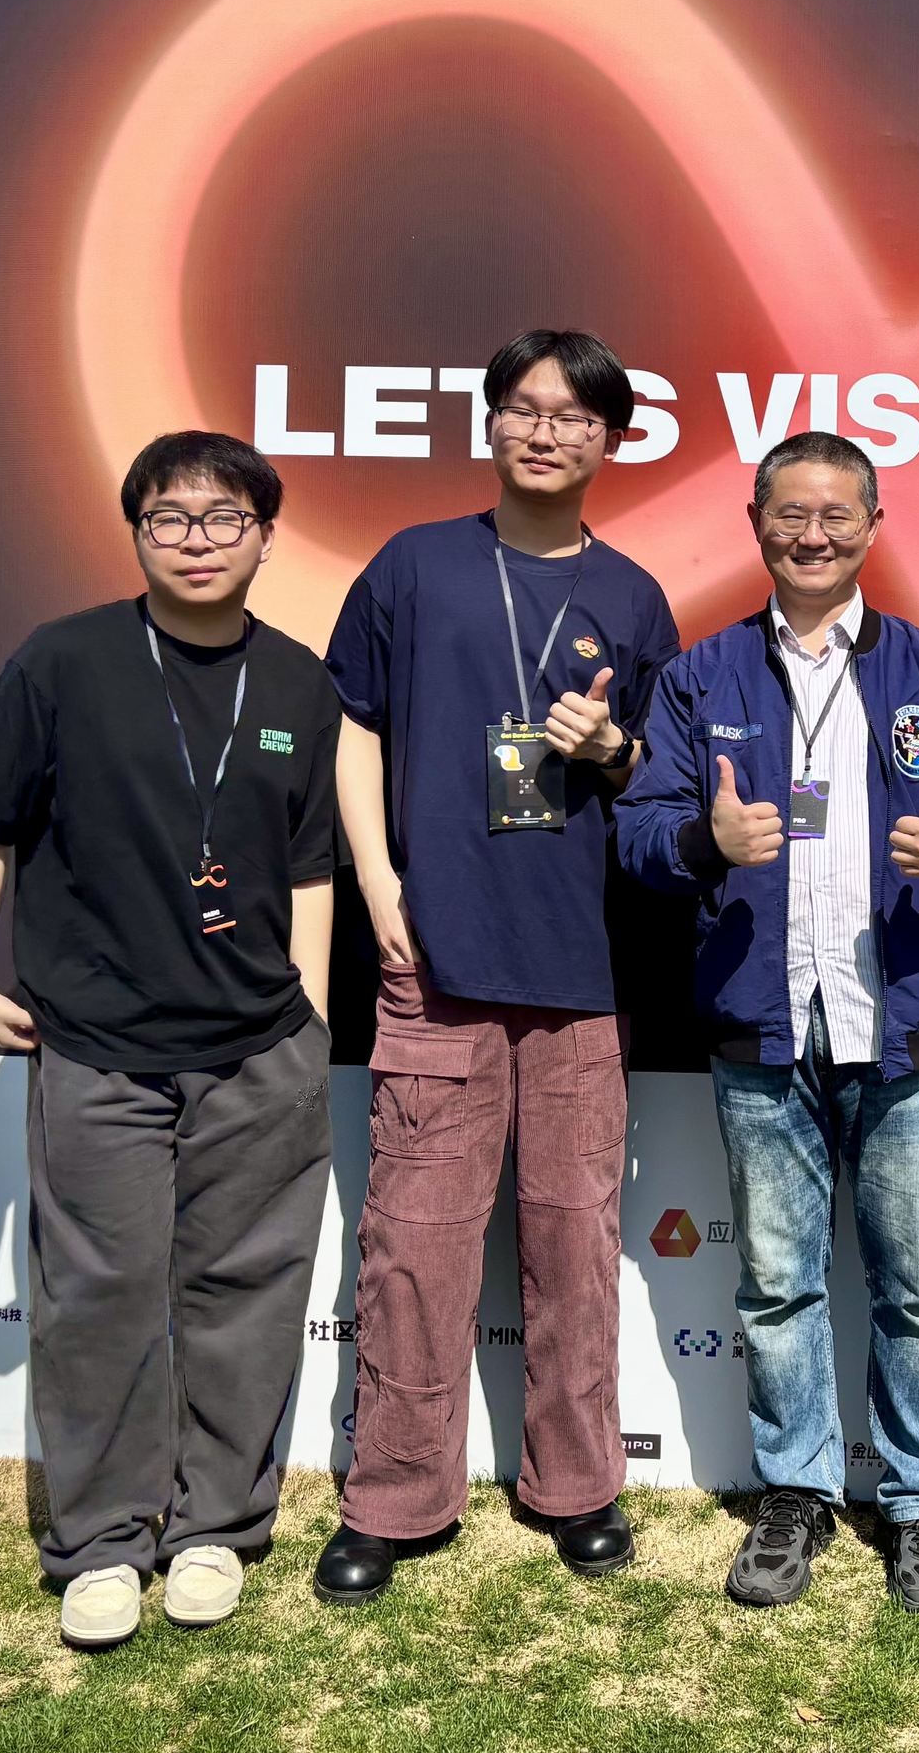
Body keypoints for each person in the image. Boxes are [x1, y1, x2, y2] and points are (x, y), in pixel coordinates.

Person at [0, 431, 341, 1651]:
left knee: (245, 1295)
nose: (197, 541)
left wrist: (313, 1013)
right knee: (101, 1297)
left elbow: (310, 867)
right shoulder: (61, 661)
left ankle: (216, 1526)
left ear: (265, 535)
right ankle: (105, 1541)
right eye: (170, 518)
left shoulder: (299, 683)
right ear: (136, 532)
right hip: (100, 1044)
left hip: (259, 1051)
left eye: (224, 519)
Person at [616, 431, 919, 1615]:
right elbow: (640, 833)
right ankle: (796, 1490)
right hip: (763, 1025)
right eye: (790, 513)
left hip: (902, 1030)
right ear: (755, 524)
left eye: (838, 514)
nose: (813, 534)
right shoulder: (702, 677)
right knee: (778, 1287)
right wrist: (704, 844)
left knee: (917, 1292)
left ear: (873, 527)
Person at [314, 330, 681, 1600]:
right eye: (525, 408)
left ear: (609, 440)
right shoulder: (414, 566)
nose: (546, 431)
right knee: (414, 1245)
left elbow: (659, 781)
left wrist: (611, 748)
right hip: (435, 957)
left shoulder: (633, 596)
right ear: (490, 423)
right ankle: (393, 1495)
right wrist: (377, 882)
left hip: (579, 970)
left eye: (575, 416)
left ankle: (577, 1485)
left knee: (574, 1247)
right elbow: (352, 726)